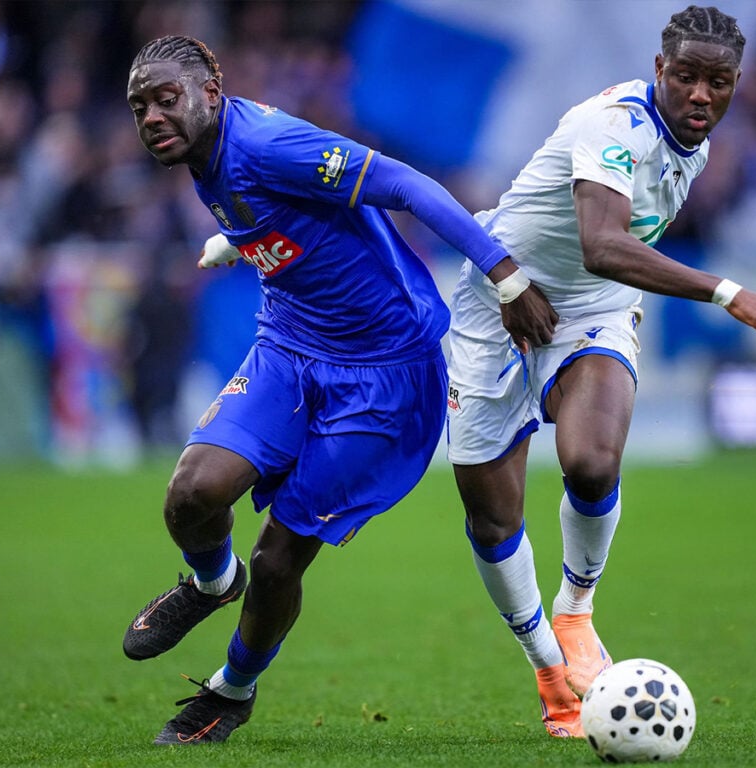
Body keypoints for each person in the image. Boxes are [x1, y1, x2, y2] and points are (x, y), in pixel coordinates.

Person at [122, 35, 557, 746]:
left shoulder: (269, 145)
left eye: (165, 99)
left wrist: (506, 277)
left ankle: (231, 691)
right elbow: (292, 213)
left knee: (277, 560)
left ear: (211, 92)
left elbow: (407, 187)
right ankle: (211, 584)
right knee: (191, 495)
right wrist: (241, 239)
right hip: (290, 347)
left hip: (385, 374)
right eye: (139, 107)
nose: (152, 118)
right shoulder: (203, 151)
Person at [444, 5, 756, 739]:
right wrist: (729, 293)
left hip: (594, 306)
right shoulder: (615, 126)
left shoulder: (695, 143)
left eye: (719, 82)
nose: (701, 95)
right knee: (493, 517)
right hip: (495, 306)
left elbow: (603, 268)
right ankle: (548, 669)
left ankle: (575, 611)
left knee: (591, 463)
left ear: (737, 83)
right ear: (659, 70)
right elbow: (602, 243)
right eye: (686, 76)